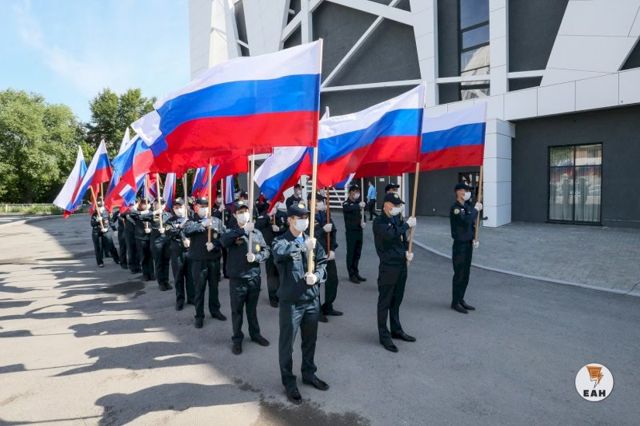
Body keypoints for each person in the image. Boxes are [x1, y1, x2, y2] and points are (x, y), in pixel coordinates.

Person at [272, 201, 329, 404]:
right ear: (290, 220)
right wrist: (301, 246)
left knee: (310, 340)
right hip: (291, 302)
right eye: (300, 218)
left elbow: (322, 262)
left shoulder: (311, 240)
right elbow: (279, 253)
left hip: (311, 299)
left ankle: (309, 373)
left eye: (306, 217)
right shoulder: (281, 241)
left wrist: (318, 276)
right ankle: (289, 381)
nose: (304, 221)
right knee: (287, 344)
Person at [221, 200, 271, 355]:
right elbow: (224, 241)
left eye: (246, 211)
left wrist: (257, 257)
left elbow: (266, 251)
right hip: (238, 279)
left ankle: (255, 334)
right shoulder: (231, 231)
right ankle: (237, 339)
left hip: (253, 277)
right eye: (240, 212)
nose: (244, 214)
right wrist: (242, 231)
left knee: (252, 310)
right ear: (235, 215)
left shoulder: (256, 233)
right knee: (237, 311)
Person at [372, 192, 417, 353]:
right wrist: (406, 226)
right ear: (386, 205)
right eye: (395, 205)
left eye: (399, 205)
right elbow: (390, 235)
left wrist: (407, 251)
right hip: (388, 267)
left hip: (401, 264)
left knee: (397, 300)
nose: (398, 208)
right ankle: (384, 335)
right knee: (385, 302)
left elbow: (401, 239)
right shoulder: (379, 221)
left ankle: (396, 330)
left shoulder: (397, 219)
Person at [184, 197, 227, 328]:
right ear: (196, 207)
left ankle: (215, 310)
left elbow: (224, 237)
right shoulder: (191, 221)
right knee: (199, 289)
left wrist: (215, 244)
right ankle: (199, 315)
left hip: (213, 260)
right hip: (198, 261)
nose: (204, 209)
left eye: (206, 206)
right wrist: (202, 225)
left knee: (214, 288)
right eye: (201, 206)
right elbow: (186, 231)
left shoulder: (216, 221)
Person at [449, 182, 483, 314]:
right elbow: (466, 221)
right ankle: (455, 302)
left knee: (466, 274)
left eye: (468, 191)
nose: (467, 193)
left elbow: (472, 224)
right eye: (465, 190)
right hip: (460, 245)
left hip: (468, 244)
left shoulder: (467, 206)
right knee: (459, 274)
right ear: (458, 192)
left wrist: (474, 237)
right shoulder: (456, 209)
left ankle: (461, 299)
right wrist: (476, 209)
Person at [310, 192, 342, 320]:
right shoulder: (306, 216)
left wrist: (332, 249)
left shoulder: (326, 215)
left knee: (333, 280)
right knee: (316, 284)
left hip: (328, 254)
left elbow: (333, 232)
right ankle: (316, 311)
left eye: (322, 201)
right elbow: (308, 235)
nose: (322, 204)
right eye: (319, 201)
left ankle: (328, 306)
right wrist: (322, 230)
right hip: (315, 255)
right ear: (311, 202)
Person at [258, 199, 288, 307]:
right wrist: (268, 216)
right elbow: (258, 226)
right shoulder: (264, 215)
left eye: (277, 202)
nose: (275, 204)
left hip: (280, 248)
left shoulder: (283, 214)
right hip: (269, 248)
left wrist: (279, 229)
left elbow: (287, 228)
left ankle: (281, 295)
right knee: (271, 274)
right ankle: (273, 297)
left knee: (281, 273)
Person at [165, 198, 194, 311]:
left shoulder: (191, 219)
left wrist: (180, 230)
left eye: (180, 207)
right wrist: (180, 228)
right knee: (178, 277)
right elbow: (169, 232)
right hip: (177, 253)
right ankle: (180, 300)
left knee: (191, 276)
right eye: (176, 207)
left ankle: (192, 298)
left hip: (190, 252)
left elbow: (195, 230)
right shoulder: (170, 221)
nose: (178, 209)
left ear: (185, 207)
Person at [342, 184, 366, 283]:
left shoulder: (358, 203)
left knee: (357, 253)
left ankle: (356, 272)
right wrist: (358, 206)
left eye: (358, 191)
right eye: (355, 191)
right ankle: (351, 274)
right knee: (351, 253)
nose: (357, 193)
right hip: (351, 233)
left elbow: (362, 215)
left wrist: (364, 222)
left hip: (359, 231)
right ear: (350, 192)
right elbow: (348, 209)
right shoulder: (346, 203)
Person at [148, 198, 172, 291]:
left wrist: (165, 228)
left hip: (166, 241)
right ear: (155, 204)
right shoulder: (152, 215)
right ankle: (161, 283)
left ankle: (166, 281)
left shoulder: (168, 214)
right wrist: (155, 212)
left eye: (162, 203)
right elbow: (142, 217)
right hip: (156, 242)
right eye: (158, 203)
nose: (161, 205)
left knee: (166, 262)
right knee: (159, 263)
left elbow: (171, 225)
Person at [129, 198, 155, 281]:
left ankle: (152, 274)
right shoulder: (137, 213)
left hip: (150, 237)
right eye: (144, 203)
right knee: (143, 257)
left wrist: (150, 230)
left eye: (147, 203)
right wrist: (141, 211)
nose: (146, 205)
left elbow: (156, 224)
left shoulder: (152, 213)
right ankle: (145, 274)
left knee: (150, 257)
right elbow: (131, 212)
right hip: (140, 238)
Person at [90, 201, 120, 267]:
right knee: (98, 248)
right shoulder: (94, 214)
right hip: (96, 232)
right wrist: (97, 221)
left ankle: (117, 259)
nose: (99, 208)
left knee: (111, 245)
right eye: (98, 207)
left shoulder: (106, 213)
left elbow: (111, 222)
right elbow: (92, 224)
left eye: (100, 207)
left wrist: (114, 230)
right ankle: (100, 262)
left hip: (106, 231)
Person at [123, 206, 140, 274]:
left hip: (138, 233)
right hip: (129, 234)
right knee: (131, 251)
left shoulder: (138, 211)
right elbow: (122, 214)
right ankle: (132, 267)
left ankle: (138, 266)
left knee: (138, 250)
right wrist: (129, 211)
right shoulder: (127, 212)